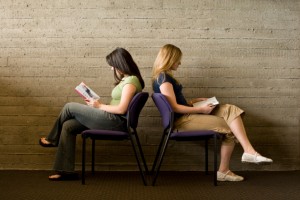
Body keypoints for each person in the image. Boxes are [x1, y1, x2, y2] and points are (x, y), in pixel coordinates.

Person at [152, 44, 272, 182]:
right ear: (170, 58)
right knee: (230, 128)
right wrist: (200, 109)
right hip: (182, 121)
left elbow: (175, 103)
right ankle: (224, 171)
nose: (180, 63)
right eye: (177, 59)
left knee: (230, 110)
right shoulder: (164, 80)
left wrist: (193, 101)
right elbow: (174, 108)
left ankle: (249, 151)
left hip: (187, 116)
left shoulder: (163, 77)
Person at [39, 47, 145, 181]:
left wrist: (99, 106)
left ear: (120, 63)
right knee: (68, 126)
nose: (112, 69)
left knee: (69, 107)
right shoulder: (127, 80)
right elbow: (117, 106)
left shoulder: (131, 82)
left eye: (112, 65)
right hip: (111, 119)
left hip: (116, 122)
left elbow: (121, 110)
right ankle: (65, 171)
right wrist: (98, 105)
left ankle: (52, 139)